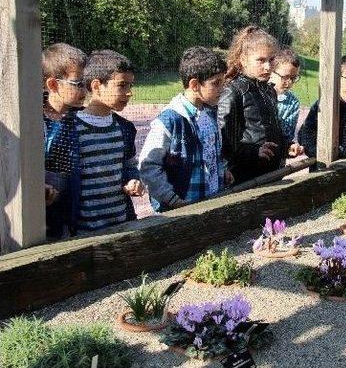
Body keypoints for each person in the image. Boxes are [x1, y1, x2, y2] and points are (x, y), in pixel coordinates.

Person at [46, 50, 144, 234]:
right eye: (122, 85)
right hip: (83, 230)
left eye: (130, 85)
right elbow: (58, 177)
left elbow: (130, 166)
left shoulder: (125, 128)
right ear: (97, 86)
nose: (129, 93)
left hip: (121, 223)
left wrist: (133, 180)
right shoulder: (68, 127)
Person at [139, 47, 233, 212]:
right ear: (195, 85)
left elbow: (212, 151)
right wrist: (171, 199)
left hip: (210, 202)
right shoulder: (170, 120)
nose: (222, 89)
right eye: (216, 83)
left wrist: (222, 169)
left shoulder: (210, 113)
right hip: (181, 209)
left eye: (223, 82)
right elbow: (148, 166)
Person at [218, 26, 304, 184]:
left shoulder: (268, 90)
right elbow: (223, 142)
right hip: (244, 178)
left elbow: (271, 132)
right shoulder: (233, 92)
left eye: (271, 60)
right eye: (261, 60)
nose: (268, 66)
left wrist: (286, 147)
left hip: (271, 173)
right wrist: (253, 152)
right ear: (243, 59)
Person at [42, 43, 87, 238]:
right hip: (40, 216)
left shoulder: (81, 119)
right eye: (78, 84)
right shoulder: (31, 121)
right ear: (53, 85)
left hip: (75, 214)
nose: (85, 90)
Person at [270, 48, 301, 144]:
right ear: (271, 72)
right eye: (285, 77)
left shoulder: (292, 102)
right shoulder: (257, 93)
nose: (289, 82)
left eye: (293, 78)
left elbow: (287, 134)